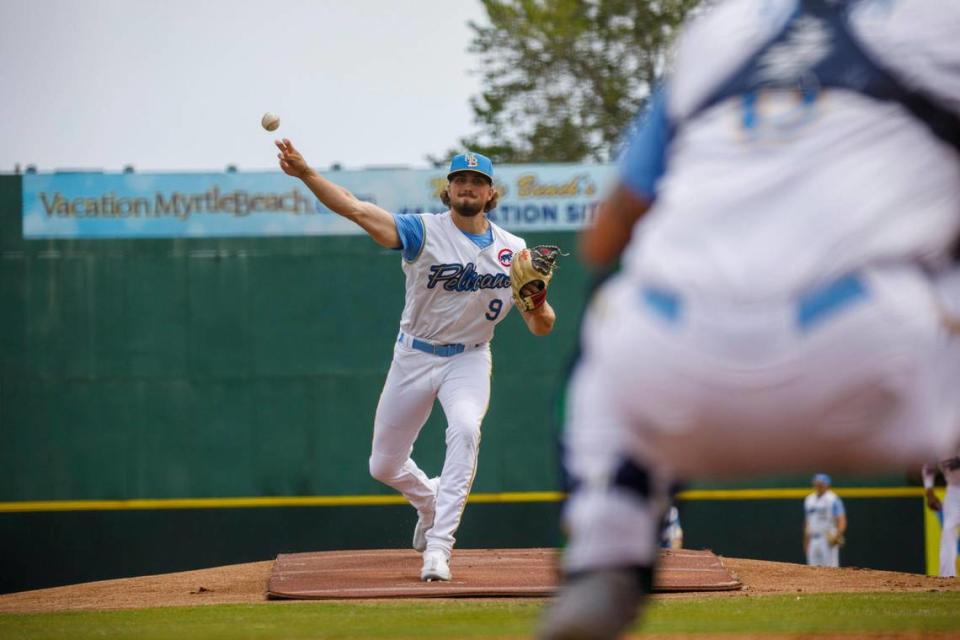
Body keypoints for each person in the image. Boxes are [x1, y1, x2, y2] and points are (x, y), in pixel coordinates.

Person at [539, 1, 960, 638]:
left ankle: (607, 548)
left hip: (668, 358)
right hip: (879, 354)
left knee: (610, 308)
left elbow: (606, 238)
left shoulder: (719, 29)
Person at [274, 141, 557, 582]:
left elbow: (542, 326)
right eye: (460, 180)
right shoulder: (422, 230)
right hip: (414, 354)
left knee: (465, 429)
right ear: (448, 188)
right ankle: (428, 499)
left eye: (476, 182)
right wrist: (307, 174)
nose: (467, 187)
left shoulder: (514, 251)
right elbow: (355, 209)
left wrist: (538, 303)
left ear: (489, 192)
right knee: (383, 466)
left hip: (468, 359)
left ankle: (439, 548)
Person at [922, 451, 960, 578]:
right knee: (948, 529)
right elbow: (929, 468)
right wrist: (929, 492)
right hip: (954, 492)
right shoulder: (939, 444)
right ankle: (947, 576)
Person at [803, 474, 847, 567]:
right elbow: (808, 522)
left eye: (821, 484)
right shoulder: (809, 499)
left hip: (827, 538)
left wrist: (838, 534)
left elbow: (841, 519)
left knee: (830, 570)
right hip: (813, 539)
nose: (819, 486)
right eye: (817, 483)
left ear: (827, 484)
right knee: (812, 570)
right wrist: (806, 541)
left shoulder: (833, 499)